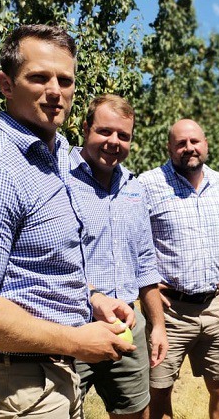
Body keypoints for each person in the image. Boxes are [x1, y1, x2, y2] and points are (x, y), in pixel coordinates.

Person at [0, 24, 135, 419]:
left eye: (65, 80)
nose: (55, 91)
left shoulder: (54, 158)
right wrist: (75, 341)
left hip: (45, 377)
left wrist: (91, 299)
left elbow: (38, 268)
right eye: (39, 77)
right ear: (6, 85)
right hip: (9, 388)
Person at [69, 94, 168, 419]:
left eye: (123, 135)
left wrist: (157, 326)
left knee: (134, 412)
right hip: (71, 325)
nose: (114, 141)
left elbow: (145, 263)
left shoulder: (134, 188)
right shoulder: (60, 181)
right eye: (105, 131)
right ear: (86, 128)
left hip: (127, 323)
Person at [138, 119, 219, 419]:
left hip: (215, 307)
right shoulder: (147, 185)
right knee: (158, 392)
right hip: (169, 312)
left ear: (205, 144)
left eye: (195, 141)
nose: (189, 148)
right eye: (181, 143)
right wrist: (147, 287)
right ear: (169, 148)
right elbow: (130, 240)